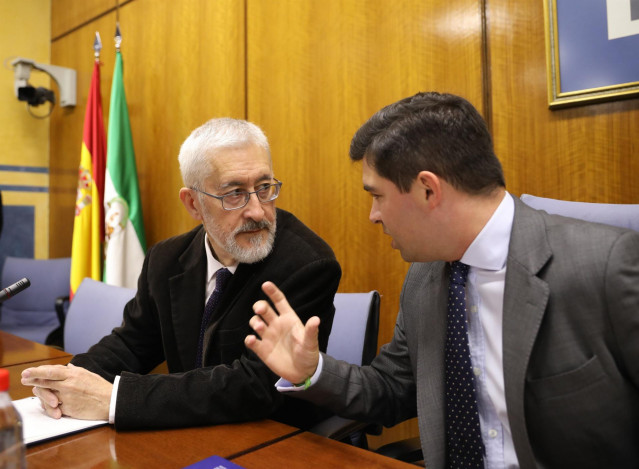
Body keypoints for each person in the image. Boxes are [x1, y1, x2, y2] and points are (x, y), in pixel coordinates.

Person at [245, 92, 639, 468]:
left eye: (377, 196)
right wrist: (310, 370)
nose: (373, 216)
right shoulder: (426, 277)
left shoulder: (607, 266)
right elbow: (391, 388)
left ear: (428, 189)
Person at [22, 118, 341, 430]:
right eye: (234, 193)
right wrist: (66, 379)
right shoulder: (166, 259)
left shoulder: (307, 265)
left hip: (275, 440)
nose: (257, 210)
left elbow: (254, 385)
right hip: (190, 432)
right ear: (193, 203)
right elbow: (133, 344)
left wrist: (115, 399)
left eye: (264, 187)